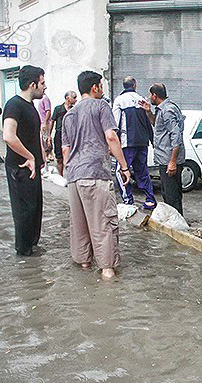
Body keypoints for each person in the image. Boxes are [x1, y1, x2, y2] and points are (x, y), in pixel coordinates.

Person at [62, 71, 131, 280]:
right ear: (95, 88)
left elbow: (65, 150)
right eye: (101, 85)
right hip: (95, 174)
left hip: (74, 177)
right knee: (103, 224)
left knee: (80, 225)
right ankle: (108, 272)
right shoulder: (101, 106)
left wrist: (71, 171)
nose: (102, 89)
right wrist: (124, 166)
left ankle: (84, 263)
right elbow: (111, 137)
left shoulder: (68, 115)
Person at [2, 65, 47, 256]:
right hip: (19, 167)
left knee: (35, 210)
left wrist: (42, 154)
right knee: (24, 212)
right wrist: (30, 156)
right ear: (32, 84)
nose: (45, 87)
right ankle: (23, 255)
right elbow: (8, 136)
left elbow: (33, 133)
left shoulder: (31, 107)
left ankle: (32, 251)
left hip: (33, 167)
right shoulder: (13, 105)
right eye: (42, 83)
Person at [140, 83, 185, 215]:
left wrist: (172, 161)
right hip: (165, 159)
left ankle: (178, 226)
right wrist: (148, 111)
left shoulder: (167, 110)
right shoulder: (161, 109)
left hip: (168, 160)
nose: (149, 98)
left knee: (172, 196)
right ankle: (173, 223)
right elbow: (156, 125)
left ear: (155, 95)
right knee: (167, 194)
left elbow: (176, 136)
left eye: (150, 95)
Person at [112, 76, 156, 209]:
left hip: (127, 143)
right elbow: (149, 122)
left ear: (123, 86)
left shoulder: (119, 100)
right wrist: (151, 140)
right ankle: (150, 199)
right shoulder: (142, 100)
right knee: (142, 171)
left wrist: (114, 144)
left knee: (120, 171)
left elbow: (115, 123)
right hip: (142, 142)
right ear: (134, 85)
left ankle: (128, 201)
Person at [49, 91, 77, 175]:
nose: (76, 100)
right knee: (59, 158)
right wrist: (49, 135)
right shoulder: (58, 109)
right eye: (74, 97)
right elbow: (52, 121)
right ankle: (61, 176)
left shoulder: (74, 110)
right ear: (68, 98)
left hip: (71, 136)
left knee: (71, 156)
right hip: (59, 135)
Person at [35, 93, 52, 162]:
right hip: (41, 122)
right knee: (43, 139)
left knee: (46, 139)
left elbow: (48, 111)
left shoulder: (45, 98)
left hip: (45, 123)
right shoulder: (41, 99)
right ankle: (46, 154)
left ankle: (49, 154)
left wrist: (45, 122)